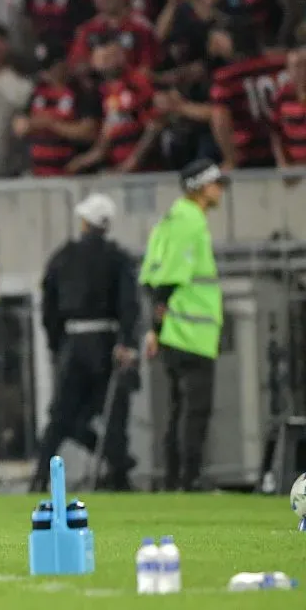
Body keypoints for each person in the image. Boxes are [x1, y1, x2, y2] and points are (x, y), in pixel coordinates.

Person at [29, 194, 139, 493]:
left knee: (62, 415)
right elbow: (129, 303)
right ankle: (119, 471)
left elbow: (48, 306)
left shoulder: (63, 256)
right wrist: (127, 341)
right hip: (107, 342)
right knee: (113, 413)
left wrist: (56, 345)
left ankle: (40, 476)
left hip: (74, 343)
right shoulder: (118, 257)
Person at [139, 158, 225, 491]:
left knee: (178, 409)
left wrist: (155, 329)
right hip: (191, 333)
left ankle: (176, 480)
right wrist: (157, 329)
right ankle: (190, 480)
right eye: (216, 183)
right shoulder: (191, 222)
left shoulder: (169, 220)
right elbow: (169, 281)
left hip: (174, 332)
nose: (220, 190)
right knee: (195, 409)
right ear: (201, 187)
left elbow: (150, 277)